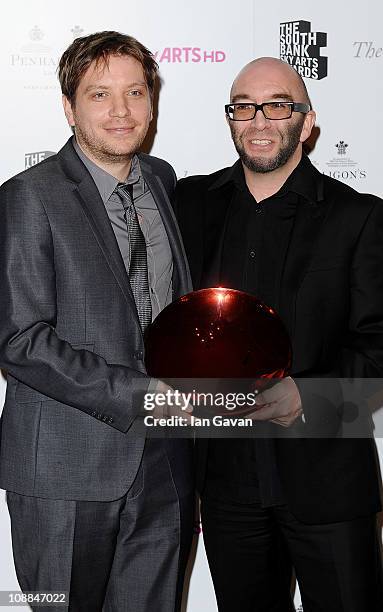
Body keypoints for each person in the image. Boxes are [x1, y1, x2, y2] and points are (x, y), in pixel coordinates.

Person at [175, 57, 383, 611]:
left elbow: (379, 345)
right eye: (244, 106)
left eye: (278, 105)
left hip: (328, 483)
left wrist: (308, 395)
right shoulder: (190, 205)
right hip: (223, 486)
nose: (259, 119)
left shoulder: (359, 217)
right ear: (231, 119)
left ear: (307, 122)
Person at [0, 31, 193, 611]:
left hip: (165, 462)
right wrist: (141, 394)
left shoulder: (161, 181)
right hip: (66, 469)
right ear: (69, 106)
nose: (121, 112)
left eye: (135, 92)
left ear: (152, 102)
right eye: (99, 94)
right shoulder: (27, 197)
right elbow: (20, 340)